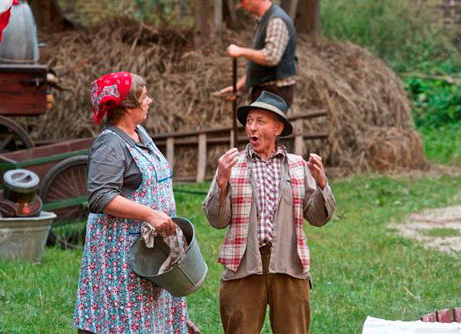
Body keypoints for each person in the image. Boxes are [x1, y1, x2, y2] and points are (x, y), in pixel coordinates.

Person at [203, 91, 336, 334]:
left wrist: (322, 185)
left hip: (289, 263)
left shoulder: (297, 165)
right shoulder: (231, 165)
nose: (252, 127)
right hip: (243, 265)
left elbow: (317, 218)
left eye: (260, 121)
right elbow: (216, 220)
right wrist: (221, 183)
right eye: (249, 121)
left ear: (277, 128)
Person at [73, 72, 190, 334]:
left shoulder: (139, 134)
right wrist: (150, 214)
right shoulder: (110, 144)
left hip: (150, 248)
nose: (150, 100)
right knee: (121, 319)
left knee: (150, 316)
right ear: (127, 107)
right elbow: (100, 197)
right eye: (144, 96)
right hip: (120, 255)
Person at [219, 0, 297, 107]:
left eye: (243, 1)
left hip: (274, 93)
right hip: (266, 91)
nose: (241, 5)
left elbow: (271, 57)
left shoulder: (276, 20)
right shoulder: (264, 20)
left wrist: (240, 51)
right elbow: (259, 64)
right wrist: (240, 86)